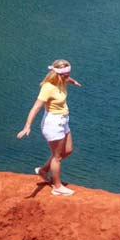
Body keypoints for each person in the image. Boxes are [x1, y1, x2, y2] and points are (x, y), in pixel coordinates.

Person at [17, 59, 82, 196]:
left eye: (69, 73)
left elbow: (66, 79)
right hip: (53, 123)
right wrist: (27, 126)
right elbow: (36, 107)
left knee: (68, 150)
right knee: (57, 157)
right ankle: (57, 187)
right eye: (66, 74)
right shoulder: (48, 87)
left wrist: (72, 81)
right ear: (58, 74)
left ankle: (43, 170)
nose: (68, 76)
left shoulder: (61, 80)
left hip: (64, 120)